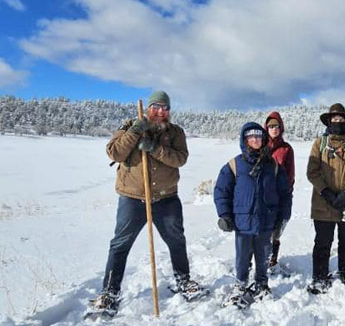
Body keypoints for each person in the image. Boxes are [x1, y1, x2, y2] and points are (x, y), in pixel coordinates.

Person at [93, 91, 200, 314]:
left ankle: (183, 281)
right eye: (156, 107)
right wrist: (134, 132)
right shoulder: (129, 126)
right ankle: (110, 292)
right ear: (149, 107)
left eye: (165, 108)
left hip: (166, 198)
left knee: (176, 240)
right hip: (133, 198)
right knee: (120, 245)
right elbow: (115, 153)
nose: (161, 112)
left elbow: (180, 159)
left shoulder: (175, 132)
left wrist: (154, 148)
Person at [213, 122, 292, 307]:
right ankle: (240, 284)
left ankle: (262, 284)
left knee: (264, 254)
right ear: (245, 139)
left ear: (264, 139)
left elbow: (284, 193)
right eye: (251, 136)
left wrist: (284, 215)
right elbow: (221, 191)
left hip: (266, 220)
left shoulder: (273, 166)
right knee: (242, 256)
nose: (255, 139)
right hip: (242, 221)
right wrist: (224, 214)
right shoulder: (234, 165)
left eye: (258, 136)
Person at [306, 103, 345, 294]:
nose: (338, 122)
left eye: (341, 119)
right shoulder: (319, 144)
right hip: (323, 202)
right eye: (334, 119)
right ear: (329, 121)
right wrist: (326, 192)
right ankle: (319, 276)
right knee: (323, 241)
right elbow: (312, 171)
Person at [263, 112, 295, 268]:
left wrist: (286, 192)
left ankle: (272, 259)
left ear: (281, 127)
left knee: (277, 227)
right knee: (261, 229)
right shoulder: (260, 146)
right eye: (270, 126)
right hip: (263, 196)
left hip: (281, 195)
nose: (273, 129)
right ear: (266, 128)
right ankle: (257, 258)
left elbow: (290, 174)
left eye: (276, 126)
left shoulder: (286, 149)